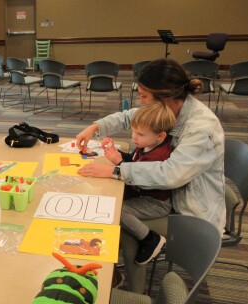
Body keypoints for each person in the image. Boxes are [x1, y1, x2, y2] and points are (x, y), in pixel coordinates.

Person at [75, 58, 225, 292]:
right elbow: (130, 116)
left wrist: (117, 170)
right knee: (109, 199)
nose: (140, 101)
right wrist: (95, 127)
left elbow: (170, 174)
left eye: (144, 96)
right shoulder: (169, 108)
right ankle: (113, 269)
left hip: (187, 209)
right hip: (165, 193)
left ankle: (130, 283)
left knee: (113, 212)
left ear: (164, 97)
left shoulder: (201, 128)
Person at [101, 101, 176, 265]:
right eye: (133, 131)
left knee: (118, 211)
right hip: (142, 193)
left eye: (140, 134)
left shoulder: (158, 155)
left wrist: (119, 163)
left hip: (156, 202)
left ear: (160, 136)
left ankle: (151, 239)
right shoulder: (148, 144)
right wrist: (117, 153)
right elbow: (134, 161)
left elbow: (139, 178)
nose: (134, 137)